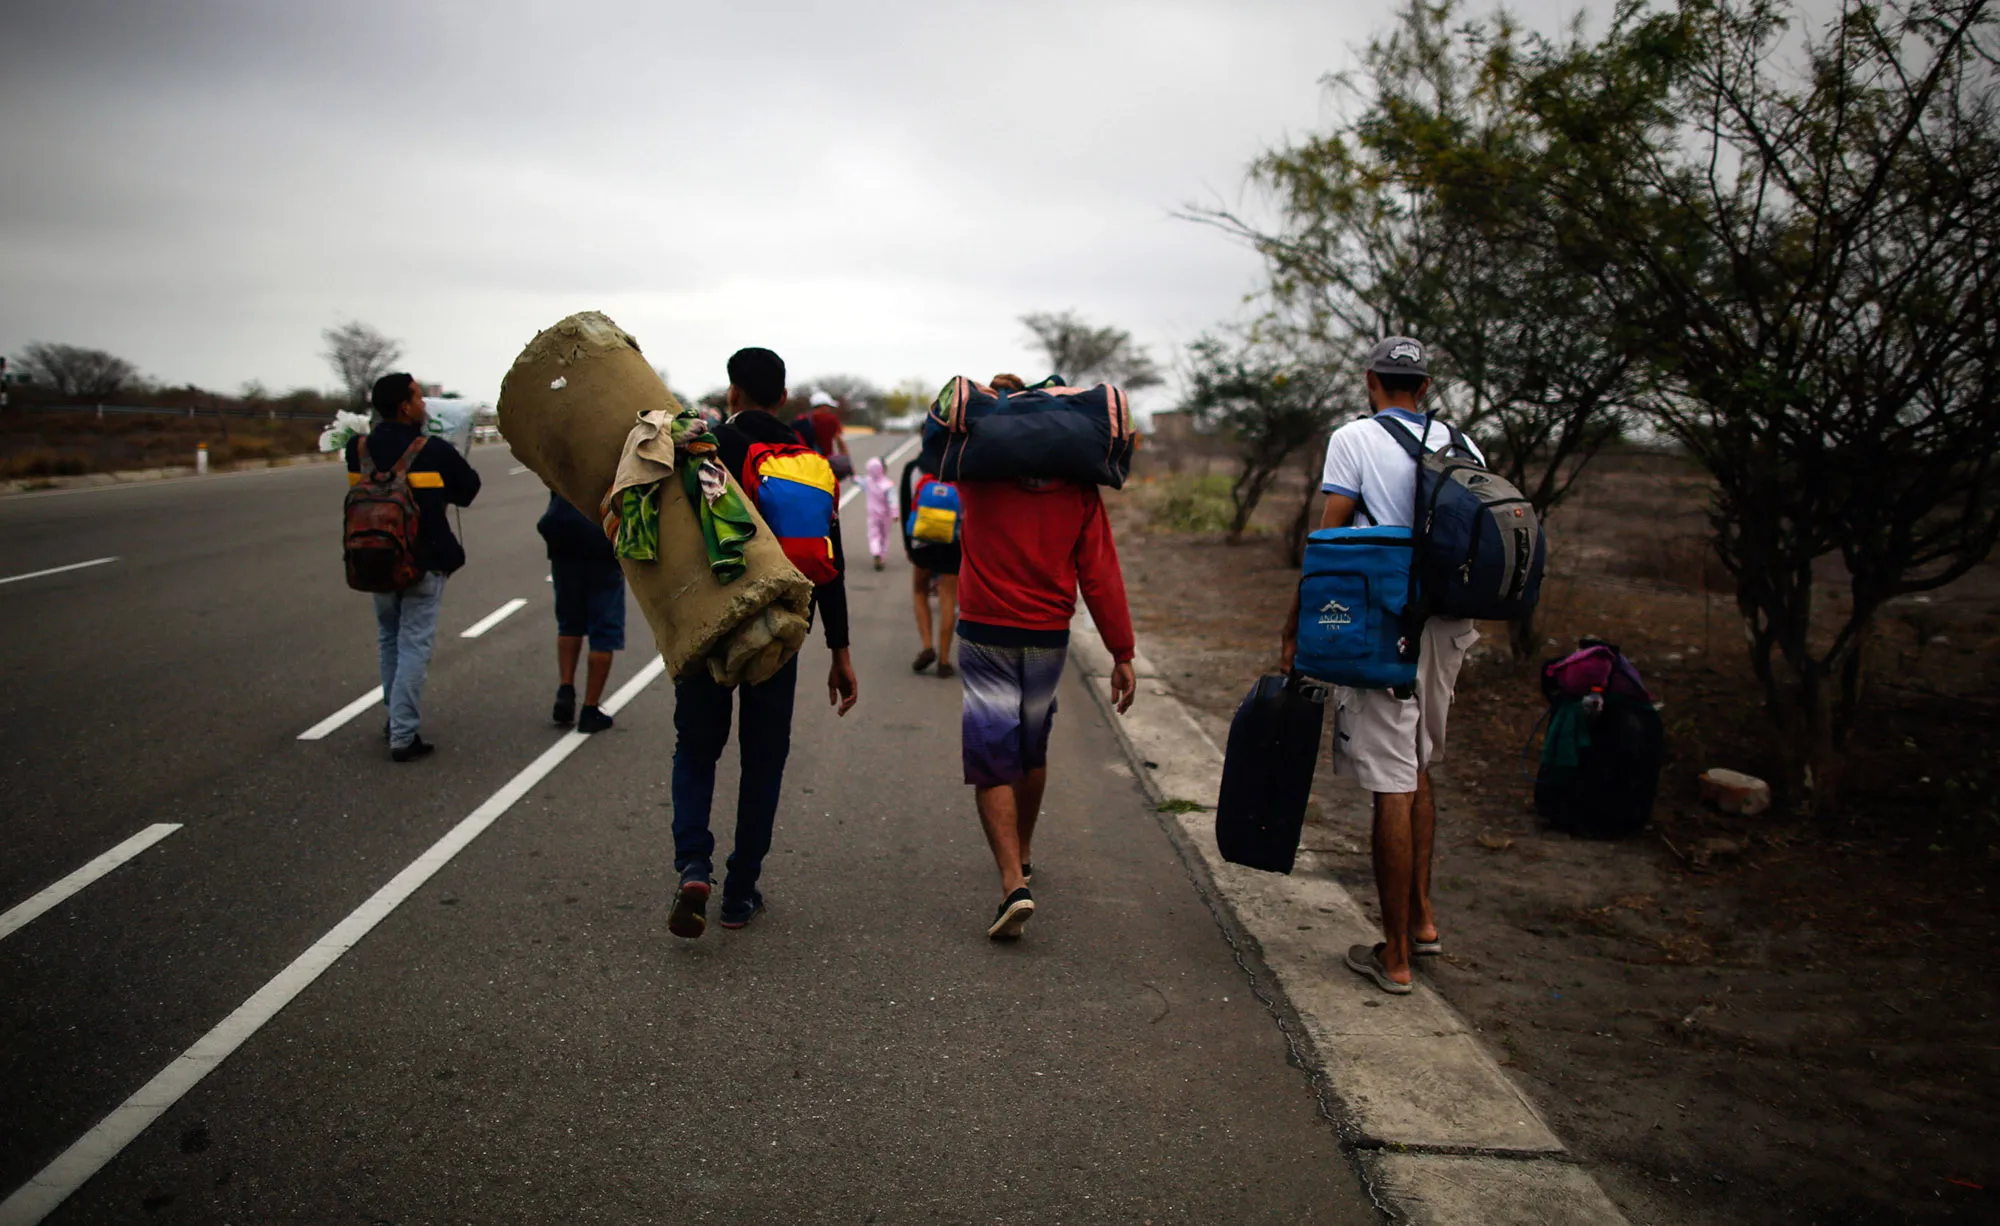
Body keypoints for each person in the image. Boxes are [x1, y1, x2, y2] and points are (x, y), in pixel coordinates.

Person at [1280, 337, 1480, 995]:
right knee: (1418, 766)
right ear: (1424, 387)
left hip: (1385, 622)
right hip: (1449, 625)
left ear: (1372, 380)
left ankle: (1392, 957)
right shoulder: (1463, 444)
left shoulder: (1354, 439)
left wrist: (1296, 623)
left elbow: (1332, 538)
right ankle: (1422, 922)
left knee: (1391, 781)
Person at [667, 347, 859, 938]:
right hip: (780, 629)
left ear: (732, 393)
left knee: (697, 750)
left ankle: (694, 865)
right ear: (781, 398)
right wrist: (840, 651)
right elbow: (830, 562)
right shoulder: (808, 460)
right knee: (763, 760)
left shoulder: (705, 448)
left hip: (710, 622)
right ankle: (741, 890)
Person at [954, 373, 1138, 940]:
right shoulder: (1079, 489)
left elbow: (963, 424)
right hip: (1048, 635)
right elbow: (1100, 575)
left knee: (992, 754)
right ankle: (1025, 853)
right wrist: (1121, 651)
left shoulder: (977, 476)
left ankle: (1013, 882)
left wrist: (993, 399)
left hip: (985, 628)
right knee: (1031, 747)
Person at [345, 372, 481, 762]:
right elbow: (468, 490)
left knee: (389, 639)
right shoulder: (433, 450)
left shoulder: (358, 448)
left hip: (373, 559)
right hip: (423, 563)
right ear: (405, 406)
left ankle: (394, 718)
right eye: (419, 398)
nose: (424, 405)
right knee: (413, 645)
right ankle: (403, 734)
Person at [537, 490, 625, 734]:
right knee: (604, 629)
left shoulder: (564, 451)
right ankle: (590, 708)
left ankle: (565, 688)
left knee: (569, 622)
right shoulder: (613, 453)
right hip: (600, 539)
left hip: (563, 534)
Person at [901, 450, 960, 678]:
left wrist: (909, 546)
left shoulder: (915, 467)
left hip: (923, 540)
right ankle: (944, 660)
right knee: (948, 597)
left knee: (919, 591)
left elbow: (907, 508)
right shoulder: (960, 464)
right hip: (953, 541)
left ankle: (927, 647)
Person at [862, 455, 896, 571]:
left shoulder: (867, 481)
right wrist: (895, 514)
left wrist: (851, 474)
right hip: (885, 515)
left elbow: (857, 481)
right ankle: (881, 556)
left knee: (873, 535)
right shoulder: (888, 484)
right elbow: (892, 500)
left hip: (872, 514)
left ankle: (875, 552)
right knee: (884, 536)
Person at [805, 390, 848, 461]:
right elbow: (839, 441)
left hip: (808, 460)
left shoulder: (803, 419)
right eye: (829, 406)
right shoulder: (831, 419)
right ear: (823, 406)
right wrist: (845, 459)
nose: (830, 409)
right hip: (827, 460)